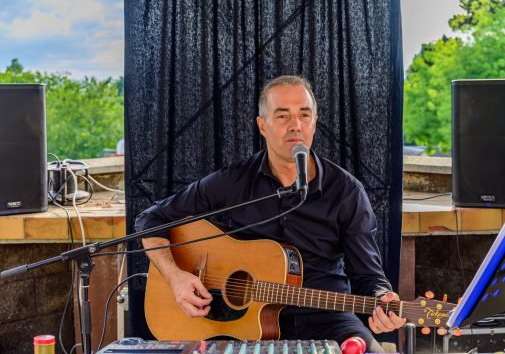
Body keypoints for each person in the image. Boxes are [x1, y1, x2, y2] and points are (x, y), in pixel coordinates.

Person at [135, 75, 405, 351]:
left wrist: (382, 298)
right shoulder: (234, 180)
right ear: (262, 126)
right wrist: (175, 276)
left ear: (314, 123)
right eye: (282, 116)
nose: (295, 126)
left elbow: (369, 275)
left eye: (304, 115)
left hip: (328, 316)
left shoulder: (346, 191)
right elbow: (150, 219)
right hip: (237, 323)